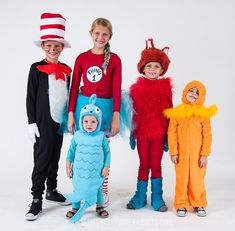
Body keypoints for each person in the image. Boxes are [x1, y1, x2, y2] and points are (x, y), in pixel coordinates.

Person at [68, 17, 122, 207]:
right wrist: (71, 113)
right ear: (91, 34)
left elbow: (116, 88)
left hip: (106, 108)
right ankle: (81, 188)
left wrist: (116, 114)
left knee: (100, 150)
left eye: (104, 34)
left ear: (110, 37)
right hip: (83, 108)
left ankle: (102, 189)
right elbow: (74, 87)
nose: (100, 37)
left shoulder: (114, 60)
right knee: (82, 148)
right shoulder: (82, 58)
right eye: (97, 33)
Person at [25, 13, 72, 221]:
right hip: (42, 122)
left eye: (57, 46)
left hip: (59, 122)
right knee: (42, 157)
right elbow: (31, 96)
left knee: (55, 155)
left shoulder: (66, 71)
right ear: (43, 46)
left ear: (62, 48)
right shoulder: (36, 69)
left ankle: (51, 189)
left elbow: (69, 96)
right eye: (49, 46)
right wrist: (31, 122)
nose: (53, 49)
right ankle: (36, 198)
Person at [127, 38, 173, 212]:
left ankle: (157, 197)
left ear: (162, 69)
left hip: (159, 133)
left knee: (156, 164)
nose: (152, 69)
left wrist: (169, 135)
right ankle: (140, 196)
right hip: (142, 133)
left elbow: (170, 112)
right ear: (143, 68)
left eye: (156, 66)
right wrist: (132, 132)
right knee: (143, 164)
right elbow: (132, 112)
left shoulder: (165, 88)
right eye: (149, 66)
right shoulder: (136, 88)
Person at [164, 80, 218, 217]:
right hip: (181, 154)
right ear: (185, 92)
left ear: (202, 96)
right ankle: (181, 203)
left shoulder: (203, 114)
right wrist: (173, 152)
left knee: (197, 179)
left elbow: (207, 135)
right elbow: (172, 133)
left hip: (198, 155)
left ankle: (198, 202)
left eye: (197, 92)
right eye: (191, 90)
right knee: (181, 179)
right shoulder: (177, 112)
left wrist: (205, 154)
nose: (194, 94)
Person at [65, 94, 110, 223]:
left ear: (98, 122)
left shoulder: (101, 136)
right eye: (86, 121)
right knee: (78, 187)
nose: (89, 124)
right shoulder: (77, 135)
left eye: (93, 121)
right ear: (81, 121)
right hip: (79, 170)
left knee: (98, 188)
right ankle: (75, 207)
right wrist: (68, 165)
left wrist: (106, 166)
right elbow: (71, 151)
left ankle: (99, 206)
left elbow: (107, 152)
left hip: (97, 170)